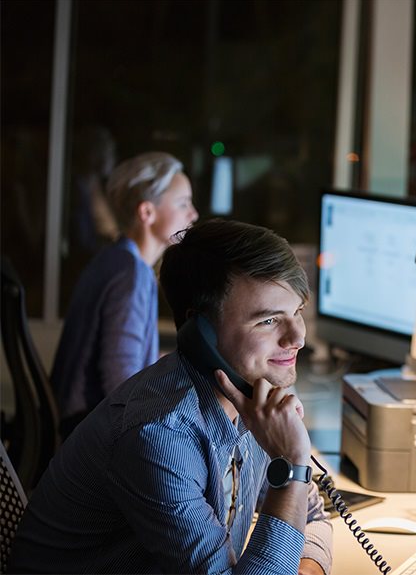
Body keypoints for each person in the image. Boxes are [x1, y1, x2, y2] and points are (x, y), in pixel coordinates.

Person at [9, 219, 333, 575]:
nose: (297, 338)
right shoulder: (158, 435)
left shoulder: (258, 396)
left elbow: (312, 513)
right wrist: (291, 463)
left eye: (297, 311)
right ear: (200, 333)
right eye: (268, 321)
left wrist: (302, 565)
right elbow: (294, 491)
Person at [51, 151, 199, 438]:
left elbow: (126, 356)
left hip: (82, 423)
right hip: (89, 434)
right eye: (183, 204)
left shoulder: (116, 259)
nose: (193, 214)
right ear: (147, 213)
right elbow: (120, 382)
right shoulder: (130, 275)